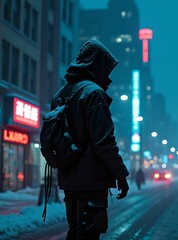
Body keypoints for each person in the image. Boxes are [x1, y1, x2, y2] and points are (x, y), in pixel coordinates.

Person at [51, 39, 130, 240]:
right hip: (92, 180)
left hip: (69, 178)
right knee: (89, 233)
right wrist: (121, 174)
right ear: (97, 64)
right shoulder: (93, 94)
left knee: (75, 230)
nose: (108, 74)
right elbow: (104, 142)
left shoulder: (61, 94)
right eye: (106, 67)